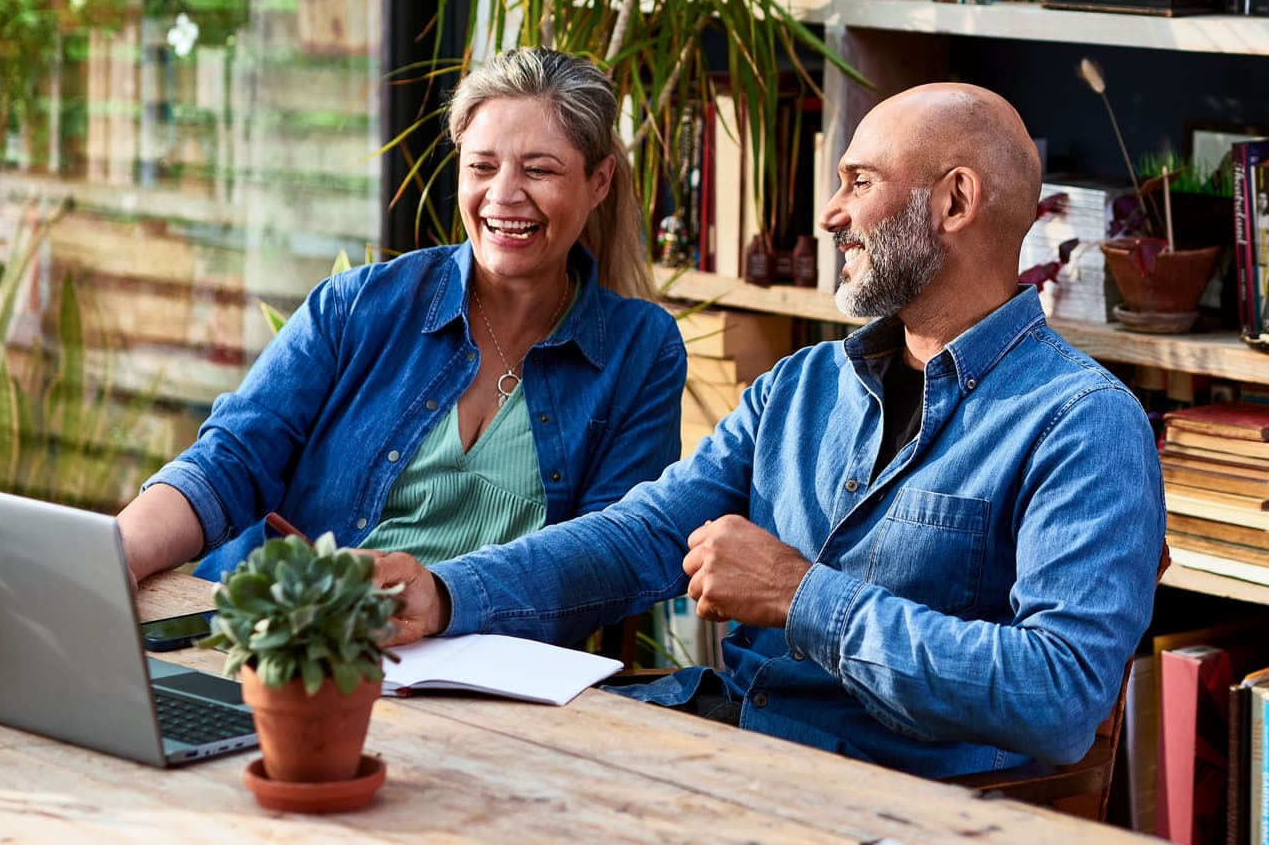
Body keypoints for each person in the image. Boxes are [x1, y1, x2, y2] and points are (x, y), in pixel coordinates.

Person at [373, 82, 1166, 779]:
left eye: (859, 182)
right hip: (722, 745)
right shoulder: (801, 384)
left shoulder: (1084, 423)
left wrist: (799, 595)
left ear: (954, 202)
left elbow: (1059, 697)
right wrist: (445, 594)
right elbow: (641, 536)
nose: (832, 214)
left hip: (883, 796)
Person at [116, 48, 687, 585]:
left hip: (478, 677)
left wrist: (443, 599)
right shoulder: (356, 305)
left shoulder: (640, 351)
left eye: (539, 170)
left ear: (599, 181)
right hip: (294, 645)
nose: (503, 195)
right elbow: (230, 462)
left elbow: (608, 556)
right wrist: (115, 556)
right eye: (482, 166)